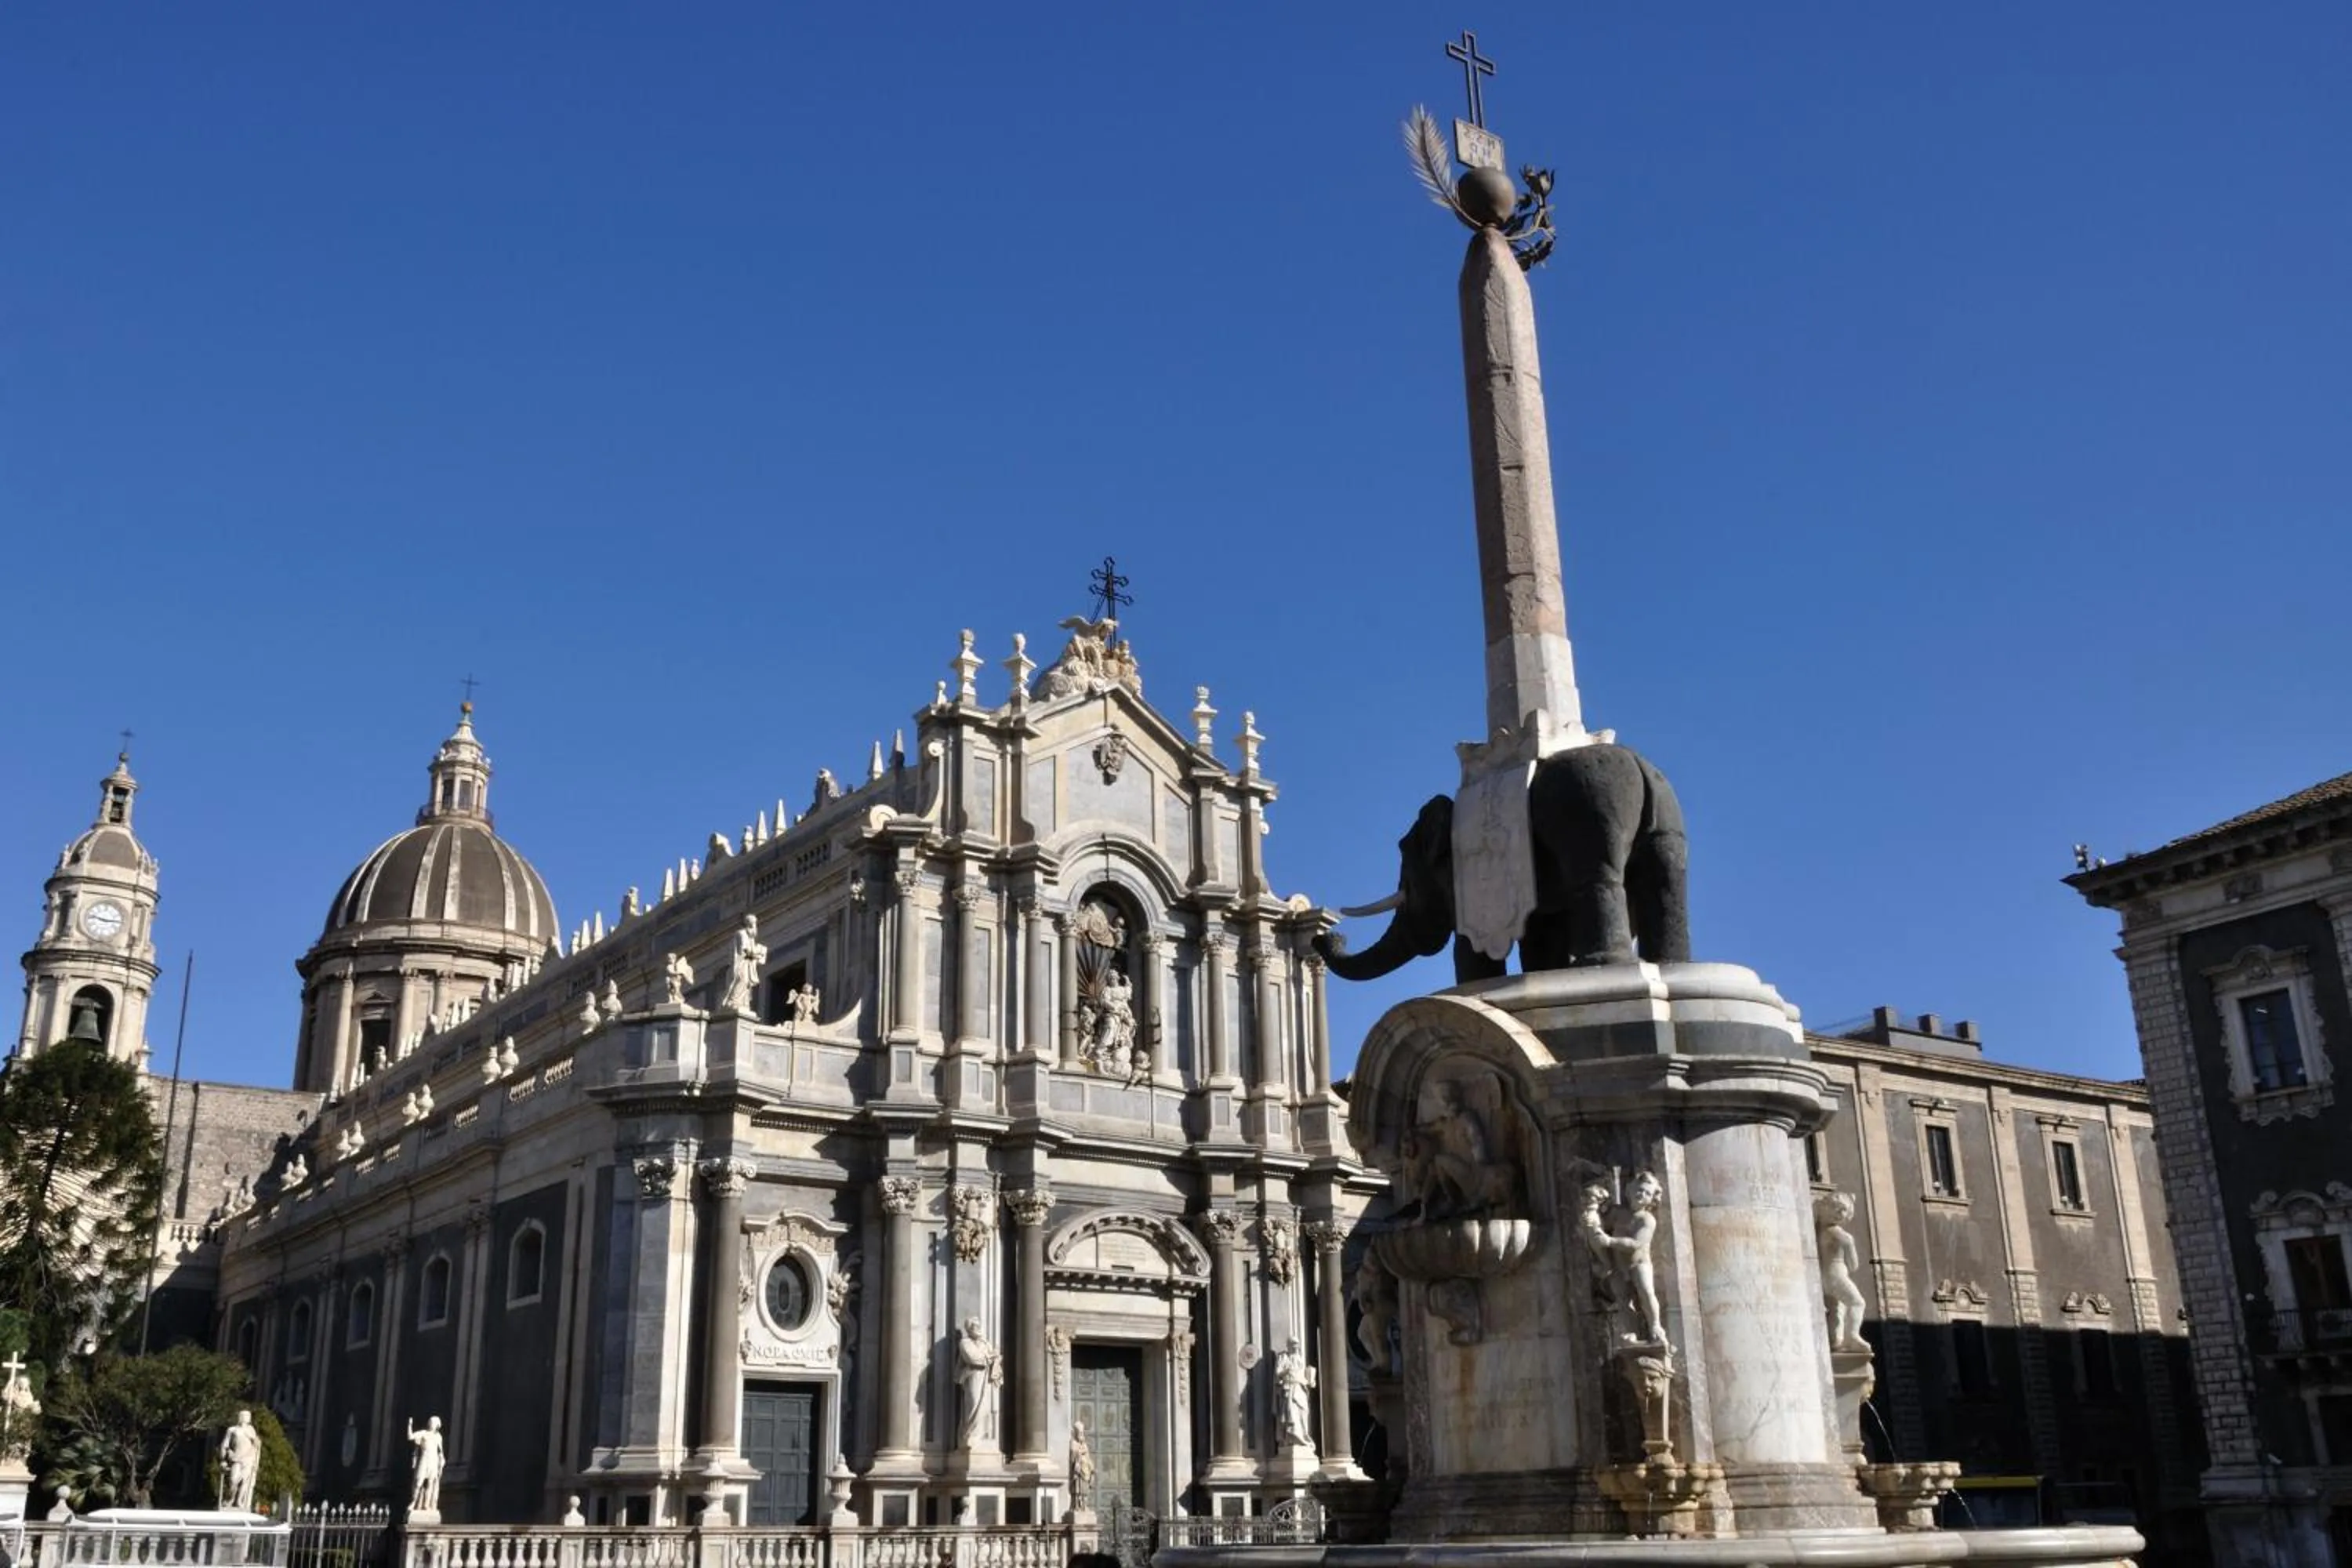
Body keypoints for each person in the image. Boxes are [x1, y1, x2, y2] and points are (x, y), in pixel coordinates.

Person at [218, 1409, 261, 1512]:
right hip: (236, 1458)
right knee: (233, 1480)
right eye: (245, 1416)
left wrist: (255, 1461)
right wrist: (223, 1459)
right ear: (240, 1417)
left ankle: (240, 1501)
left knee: (245, 1482)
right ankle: (230, 1499)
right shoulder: (232, 1430)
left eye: (248, 1416)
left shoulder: (251, 1430)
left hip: (248, 1459)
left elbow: (257, 1446)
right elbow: (225, 1445)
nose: (247, 1418)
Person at [406, 1415, 445, 1513]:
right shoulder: (423, 1434)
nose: (431, 1424)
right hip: (424, 1459)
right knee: (419, 1482)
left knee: (430, 1483)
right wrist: (410, 1424)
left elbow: (440, 1452)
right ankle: (414, 1502)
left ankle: (426, 1505)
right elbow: (410, 1436)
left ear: (437, 1425)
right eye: (430, 1422)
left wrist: (441, 1462)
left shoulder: (438, 1437)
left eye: (433, 1422)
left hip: (433, 1461)